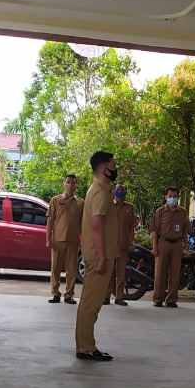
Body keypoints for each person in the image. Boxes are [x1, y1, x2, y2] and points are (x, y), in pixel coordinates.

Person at [75, 152, 119, 361]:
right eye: (113, 166)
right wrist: (101, 257)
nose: (116, 169)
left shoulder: (97, 189)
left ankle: (85, 345)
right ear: (104, 170)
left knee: (89, 302)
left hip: (98, 254)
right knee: (91, 304)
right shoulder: (100, 192)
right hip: (99, 255)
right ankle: (86, 347)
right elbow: (97, 227)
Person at [46, 174, 83, 304]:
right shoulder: (55, 200)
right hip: (58, 240)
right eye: (68, 182)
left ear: (76, 185)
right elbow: (50, 220)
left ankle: (69, 294)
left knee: (72, 269)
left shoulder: (81, 203)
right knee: (55, 268)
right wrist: (48, 239)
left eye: (73, 183)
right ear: (63, 183)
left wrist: (83, 240)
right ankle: (55, 293)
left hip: (73, 240)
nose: (70, 185)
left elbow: (82, 224)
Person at [151, 187, 189, 308]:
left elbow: (185, 231)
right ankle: (158, 298)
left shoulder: (182, 212)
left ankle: (171, 299)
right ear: (166, 197)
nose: (172, 198)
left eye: (175, 196)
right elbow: (154, 230)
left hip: (177, 244)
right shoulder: (160, 211)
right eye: (170, 196)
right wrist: (154, 247)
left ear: (178, 197)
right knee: (160, 272)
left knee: (175, 272)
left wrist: (186, 247)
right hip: (163, 243)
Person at [107, 183, 136, 307]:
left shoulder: (130, 207)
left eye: (122, 189)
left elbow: (131, 228)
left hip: (123, 245)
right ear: (113, 191)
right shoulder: (108, 205)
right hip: (109, 244)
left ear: (126, 192)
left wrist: (131, 242)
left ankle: (119, 297)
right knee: (109, 272)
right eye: (117, 189)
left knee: (121, 273)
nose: (120, 191)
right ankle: (106, 296)